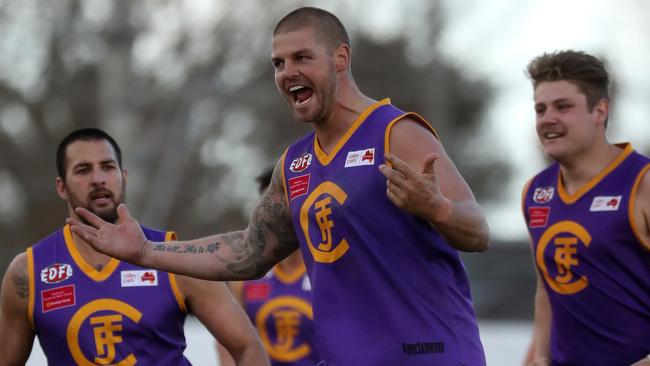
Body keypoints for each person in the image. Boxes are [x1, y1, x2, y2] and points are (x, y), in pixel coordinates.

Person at [67, 7, 491, 365]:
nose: (288, 72)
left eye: (302, 57)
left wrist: (437, 208)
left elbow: (477, 230)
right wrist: (145, 251)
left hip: (429, 355)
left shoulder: (395, 132)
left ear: (340, 57)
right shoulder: (295, 164)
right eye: (278, 63)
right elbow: (249, 251)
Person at [0, 128, 269, 366]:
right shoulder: (29, 272)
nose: (98, 179)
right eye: (83, 170)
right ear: (61, 187)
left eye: (107, 167)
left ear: (123, 176)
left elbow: (246, 347)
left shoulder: (175, 257)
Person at [522, 50, 650, 366]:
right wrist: (540, 357)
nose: (547, 118)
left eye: (563, 107)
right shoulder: (535, 192)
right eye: (540, 109)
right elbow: (546, 286)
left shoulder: (641, 183)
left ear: (600, 111)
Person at [219, 168, 321, 366]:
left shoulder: (329, 269)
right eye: (268, 207)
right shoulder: (245, 276)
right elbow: (227, 341)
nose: (276, 215)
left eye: (282, 205)